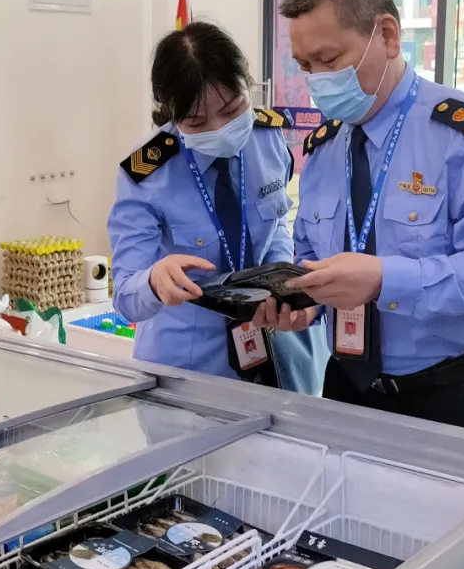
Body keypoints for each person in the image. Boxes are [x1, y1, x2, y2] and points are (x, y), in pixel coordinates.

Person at [275, 0, 464, 436]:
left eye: (329, 60)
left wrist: (384, 279)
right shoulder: (327, 145)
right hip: (347, 385)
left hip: (453, 395)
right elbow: (310, 253)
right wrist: (303, 302)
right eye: (304, 65)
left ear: (388, 35)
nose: (316, 80)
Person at [107, 22, 316, 382]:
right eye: (197, 121)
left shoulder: (267, 139)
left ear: (247, 85)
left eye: (233, 109)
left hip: (271, 348)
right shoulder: (146, 171)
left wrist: (280, 275)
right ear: (171, 112)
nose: (219, 128)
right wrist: (156, 280)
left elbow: (278, 222)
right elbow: (126, 295)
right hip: (185, 364)